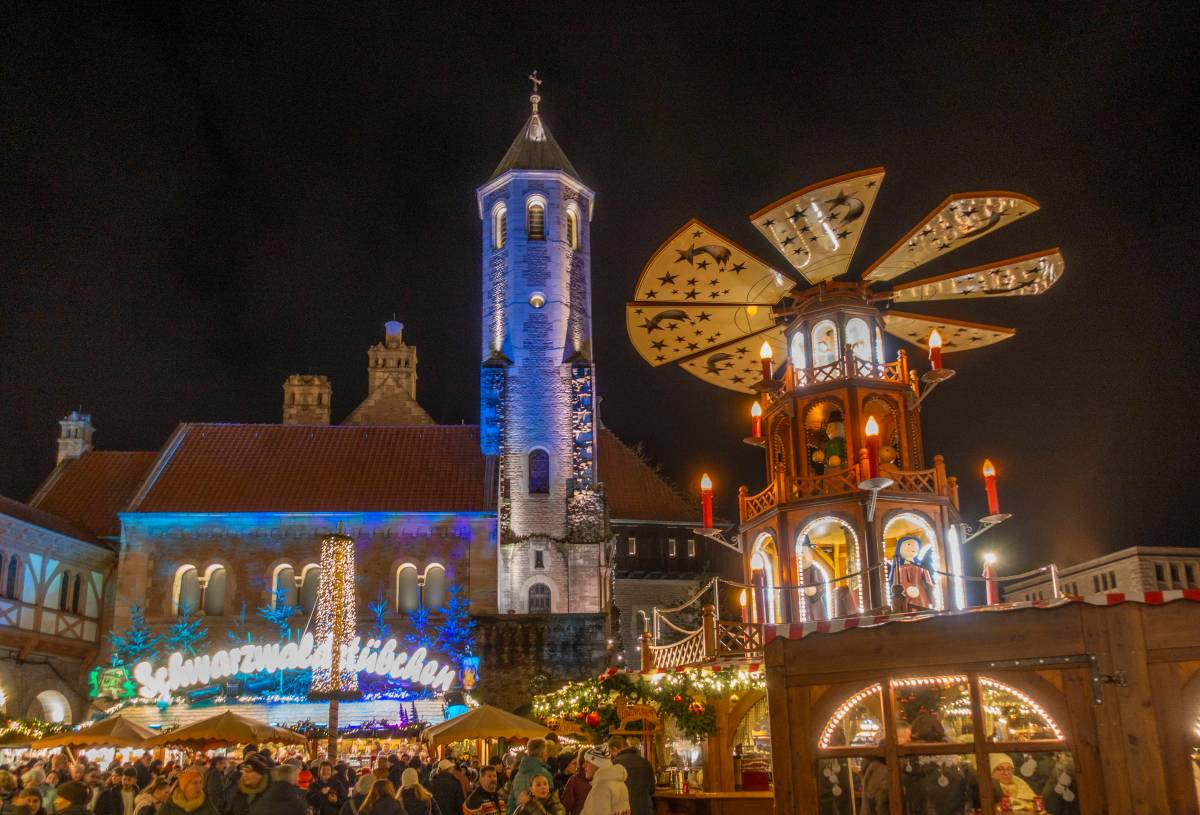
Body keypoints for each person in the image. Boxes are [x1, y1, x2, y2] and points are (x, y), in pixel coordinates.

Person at [506, 740, 553, 815]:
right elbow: (550, 801)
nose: (547, 754)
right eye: (546, 751)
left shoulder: (518, 774)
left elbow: (511, 800)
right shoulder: (544, 773)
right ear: (542, 753)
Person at [577, 748, 628, 815]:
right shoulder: (619, 783)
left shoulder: (601, 787)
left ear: (598, 764)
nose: (584, 765)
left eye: (588, 762)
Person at [609, 740, 650, 815]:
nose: (611, 755)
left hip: (624, 810)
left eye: (611, 752)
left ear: (615, 749)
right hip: (645, 809)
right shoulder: (645, 762)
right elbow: (652, 789)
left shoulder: (614, 763)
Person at [559, 750, 590, 815]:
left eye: (576, 763)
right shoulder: (573, 780)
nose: (576, 766)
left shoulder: (573, 779)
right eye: (573, 763)